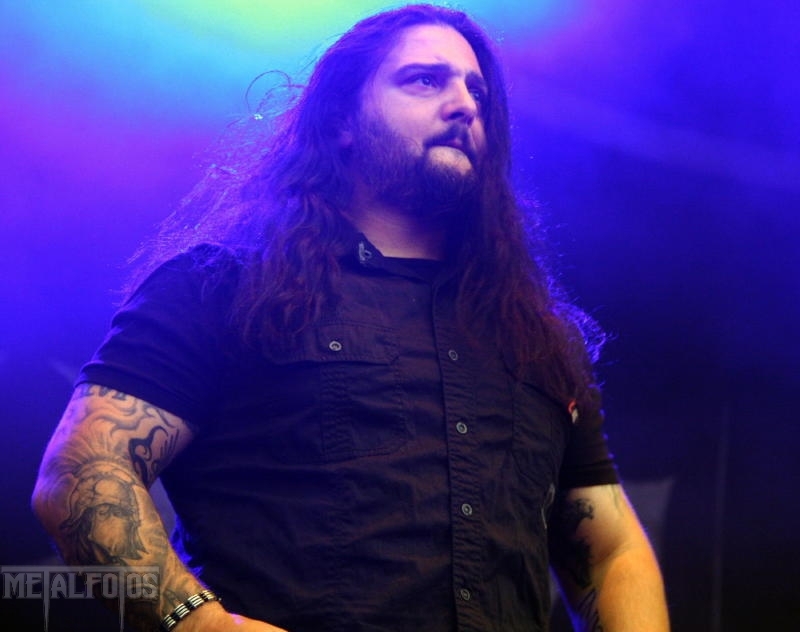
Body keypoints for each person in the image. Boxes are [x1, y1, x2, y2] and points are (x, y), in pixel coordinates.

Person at [32, 4, 669, 631]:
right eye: (425, 80)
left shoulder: (536, 336)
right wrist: (203, 626)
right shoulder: (224, 286)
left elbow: (610, 550)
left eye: (476, 90)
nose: (464, 105)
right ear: (342, 121)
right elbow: (81, 474)